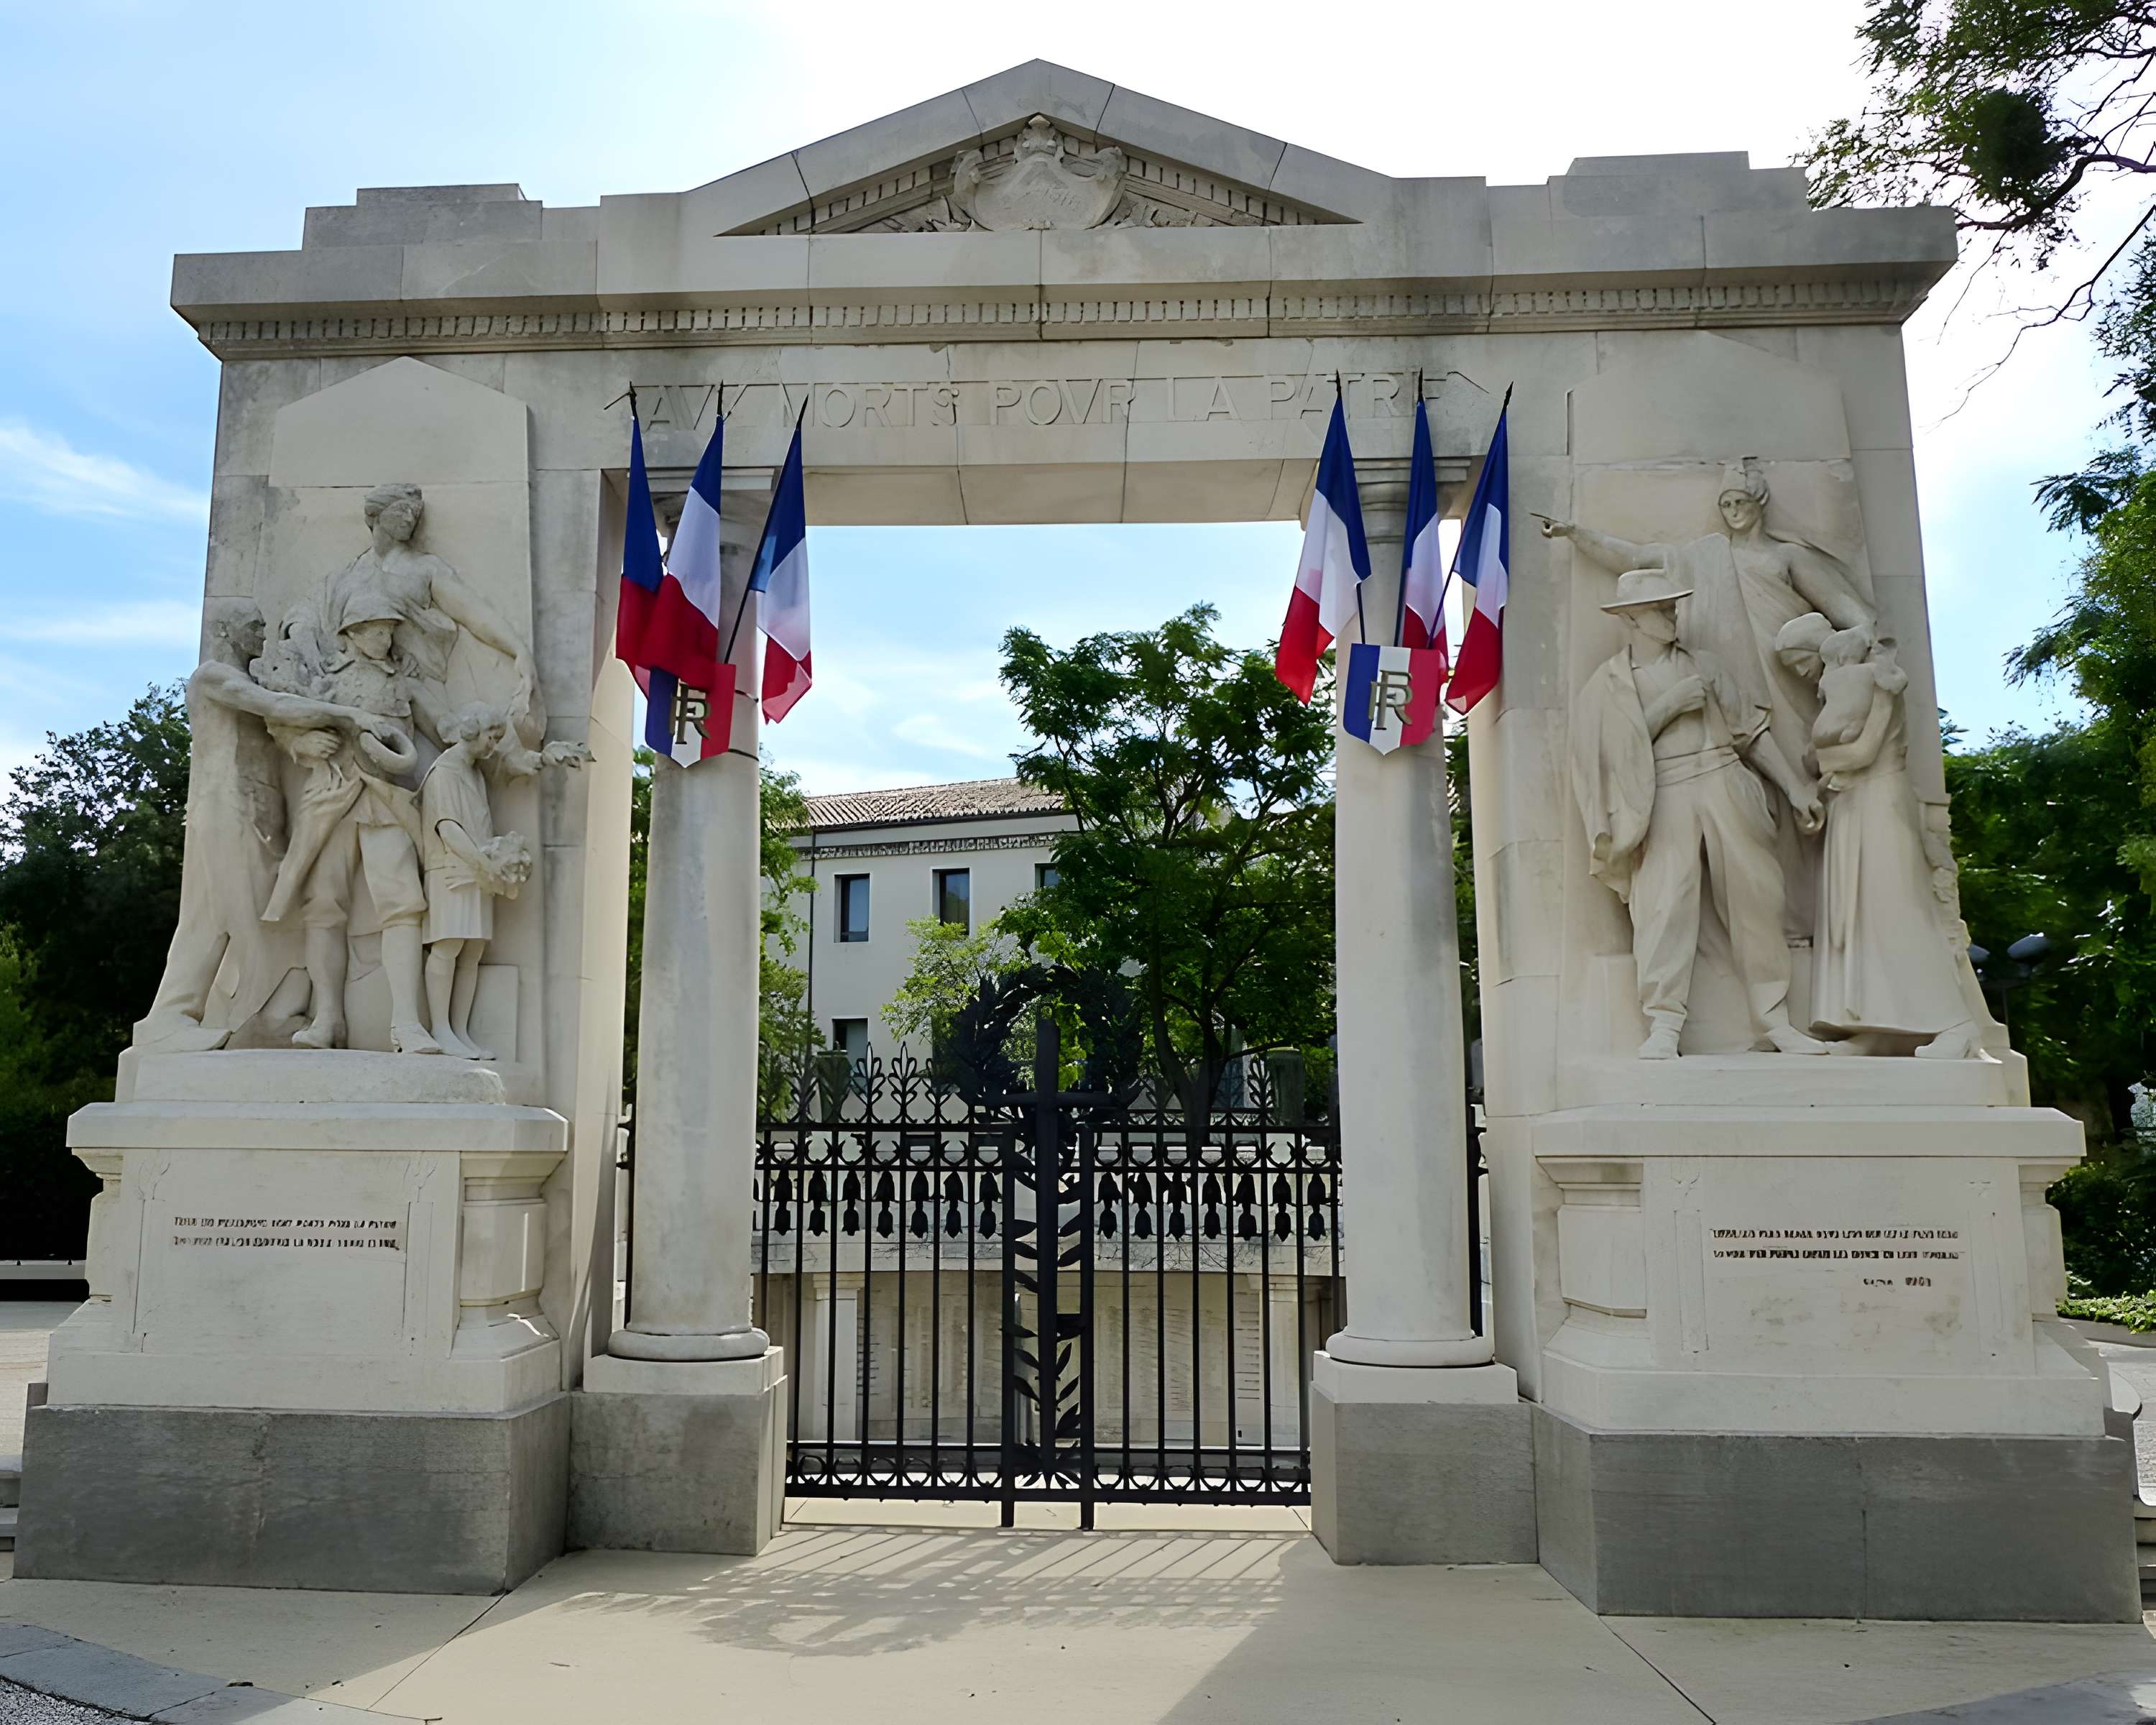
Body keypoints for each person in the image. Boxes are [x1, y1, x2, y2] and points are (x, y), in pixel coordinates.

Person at [1571, 569, 1827, 1059]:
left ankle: (1774, 1020)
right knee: (1663, 904)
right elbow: (1602, 757)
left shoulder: (1705, 666)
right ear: (1632, 618)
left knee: (1757, 897)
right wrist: (1667, 707)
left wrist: (1795, 789)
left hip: (1723, 776)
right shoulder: (1608, 685)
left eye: (1672, 607)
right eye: (1660, 609)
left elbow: (1750, 733)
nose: (1672, 616)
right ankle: (1664, 1023)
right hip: (1663, 792)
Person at [132, 600, 405, 1052]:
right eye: (254, 625)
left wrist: (302, 746)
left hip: (259, 813)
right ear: (227, 631)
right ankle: (172, 1018)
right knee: (232, 916)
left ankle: (265, 1014)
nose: (263, 633)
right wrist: (351, 715)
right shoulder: (213, 677)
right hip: (227, 808)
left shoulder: (248, 682)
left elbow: (275, 730)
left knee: (259, 916)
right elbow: (273, 705)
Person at [1775, 614, 1981, 1057]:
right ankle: (1876, 1028)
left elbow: (1860, 753)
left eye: (1799, 663)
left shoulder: (1867, 682)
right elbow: (1823, 756)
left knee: (1896, 910)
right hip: (1852, 805)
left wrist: (1824, 764)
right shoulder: (1847, 690)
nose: (1802, 675)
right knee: (1860, 920)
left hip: (1879, 801)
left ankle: (1957, 1025)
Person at [259, 581, 443, 1054]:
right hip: (330, 798)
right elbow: (285, 723)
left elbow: (444, 727)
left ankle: (407, 1023)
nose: (386, 638)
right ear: (352, 634)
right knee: (323, 907)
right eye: (376, 630)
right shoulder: (326, 681)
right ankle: (327, 1018)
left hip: (386, 800)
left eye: (389, 630)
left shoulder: (403, 682)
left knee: (403, 904)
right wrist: (301, 744)